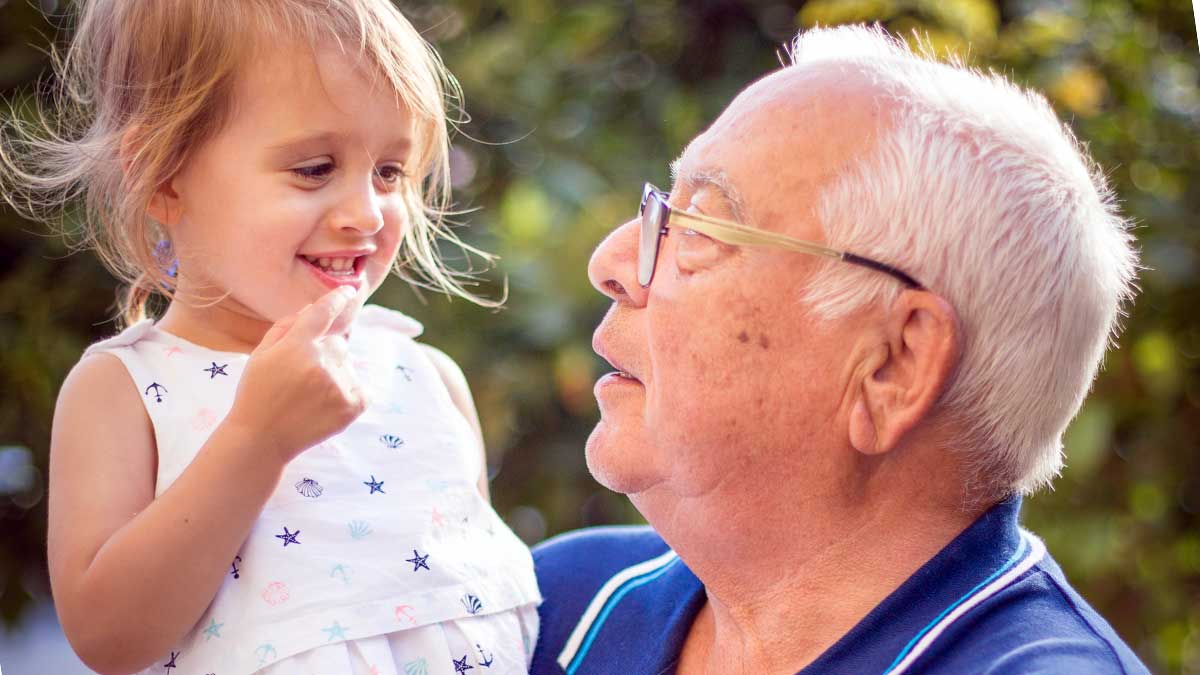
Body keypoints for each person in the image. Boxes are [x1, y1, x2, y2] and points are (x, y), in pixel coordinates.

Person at [531, 25, 1149, 675]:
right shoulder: (546, 607)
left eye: (699, 227)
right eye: (661, 208)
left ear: (894, 365)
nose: (613, 261)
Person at [0, 1, 540, 674]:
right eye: (314, 168)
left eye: (390, 171)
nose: (366, 213)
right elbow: (109, 637)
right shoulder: (124, 391)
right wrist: (256, 439)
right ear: (163, 177)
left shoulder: (426, 377)